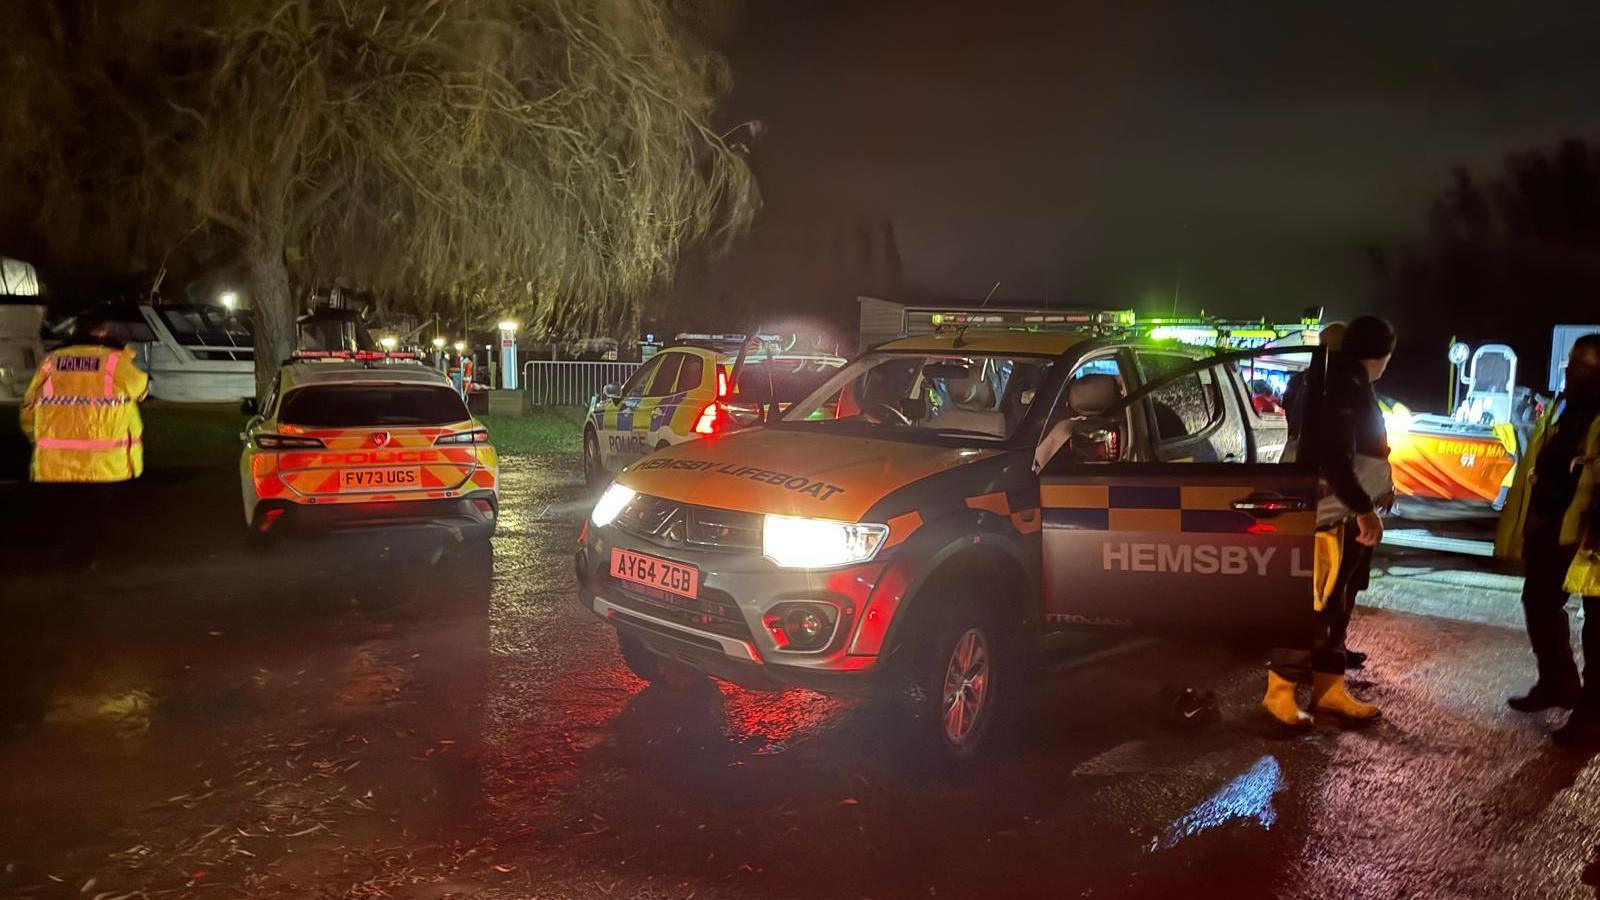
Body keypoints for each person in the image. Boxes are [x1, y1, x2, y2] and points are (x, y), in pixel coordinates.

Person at [1263, 315, 1395, 726]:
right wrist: (1364, 508)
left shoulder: (1344, 381)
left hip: (1340, 515)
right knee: (1313, 603)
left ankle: (1329, 688)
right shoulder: (1339, 385)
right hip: (1330, 515)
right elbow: (1336, 457)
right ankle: (1278, 694)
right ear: (1383, 354)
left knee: (1334, 605)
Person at [1496, 334, 1600, 745]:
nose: (1569, 371)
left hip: (1589, 534)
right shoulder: (1565, 407)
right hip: (1553, 526)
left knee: (1597, 627)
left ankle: (1592, 717)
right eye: (1571, 363)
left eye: (1580, 365)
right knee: (1539, 601)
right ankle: (1558, 684)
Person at [19, 316, 150, 565]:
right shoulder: (114, 360)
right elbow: (141, 389)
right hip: (101, 461)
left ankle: (69, 559)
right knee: (93, 514)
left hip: (57, 460)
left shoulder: (52, 361)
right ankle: (85, 561)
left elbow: (29, 406)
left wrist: (36, 437)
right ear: (103, 331)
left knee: (68, 511)